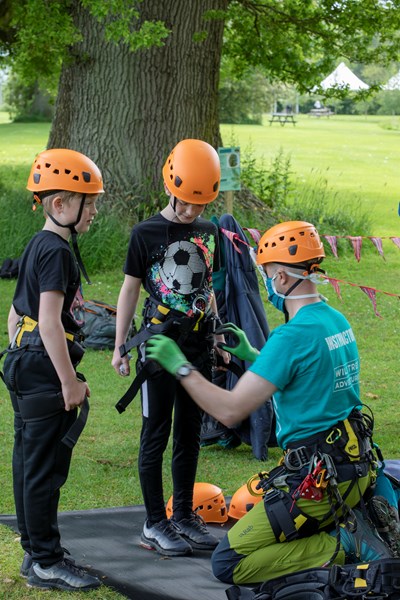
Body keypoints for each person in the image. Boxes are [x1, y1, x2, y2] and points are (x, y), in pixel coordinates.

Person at [145, 220, 394, 584]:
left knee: (229, 562)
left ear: (280, 276)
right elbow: (307, 378)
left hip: (316, 481)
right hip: (353, 467)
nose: (266, 284)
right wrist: (255, 356)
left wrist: (180, 366)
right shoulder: (335, 321)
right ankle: (345, 528)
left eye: (266, 275)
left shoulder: (291, 336)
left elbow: (230, 410)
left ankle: (343, 543)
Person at [112, 138, 229, 557]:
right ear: (169, 186)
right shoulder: (145, 233)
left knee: (190, 434)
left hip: (197, 347)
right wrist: (120, 346)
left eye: (200, 204)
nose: (192, 211)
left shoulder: (209, 232)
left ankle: (182, 514)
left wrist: (217, 336)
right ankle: (154, 521)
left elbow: (207, 288)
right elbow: (129, 290)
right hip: (159, 346)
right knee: (156, 433)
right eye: (186, 203)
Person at [1, 149, 103, 592]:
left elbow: (15, 313)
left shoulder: (37, 244)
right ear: (60, 204)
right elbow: (48, 322)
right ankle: (46, 561)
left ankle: (34, 551)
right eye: (89, 203)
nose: (94, 211)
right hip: (42, 368)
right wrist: (68, 382)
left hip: (22, 362)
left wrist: (18, 354)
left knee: (28, 461)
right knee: (44, 468)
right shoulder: (58, 252)